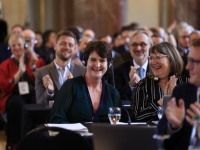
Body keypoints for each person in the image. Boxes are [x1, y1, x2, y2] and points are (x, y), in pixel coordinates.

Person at [48, 41, 121, 123]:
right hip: (74, 135)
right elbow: (56, 118)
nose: (97, 65)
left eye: (102, 61)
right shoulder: (71, 86)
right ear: (85, 61)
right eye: (93, 60)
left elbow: (119, 125)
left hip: (104, 136)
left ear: (109, 64)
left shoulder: (113, 93)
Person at [157, 39, 200, 149]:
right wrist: (174, 126)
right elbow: (161, 133)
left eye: (194, 62)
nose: (188, 67)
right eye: (188, 61)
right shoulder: (182, 91)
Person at [0, 34, 40, 149]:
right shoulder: (4, 65)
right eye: (13, 45)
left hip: (32, 92)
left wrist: (33, 68)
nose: (17, 47)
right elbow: (4, 88)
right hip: (14, 93)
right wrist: (18, 73)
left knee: (37, 102)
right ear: (10, 48)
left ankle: (37, 139)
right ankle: (16, 142)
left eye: (19, 44)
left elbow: (40, 82)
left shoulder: (35, 60)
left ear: (24, 45)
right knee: (16, 104)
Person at [131, 42, 188, 122]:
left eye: (158, 57)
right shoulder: (143, 85)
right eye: (151, 58)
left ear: (171, 59)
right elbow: (137, 117)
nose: (153, 62)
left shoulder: (186, 83)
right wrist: (163, 101)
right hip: (151, 133)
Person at [35, 30, 86, 104]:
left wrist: (74, 88)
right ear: (55, 46)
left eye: (70, 45)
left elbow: (85, 102)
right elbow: (40, 104)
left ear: (74, 48)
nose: (67, 47)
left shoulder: (83, 71)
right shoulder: (41, 72)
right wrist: (49, 92)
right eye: (63, 44)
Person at [114, 30, 152, 100]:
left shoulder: (157, 69)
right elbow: (116, 98)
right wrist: (130, 85)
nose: (138, 48)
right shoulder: (118, 71)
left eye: (142, 44)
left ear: (150, 46)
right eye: (134, 44)